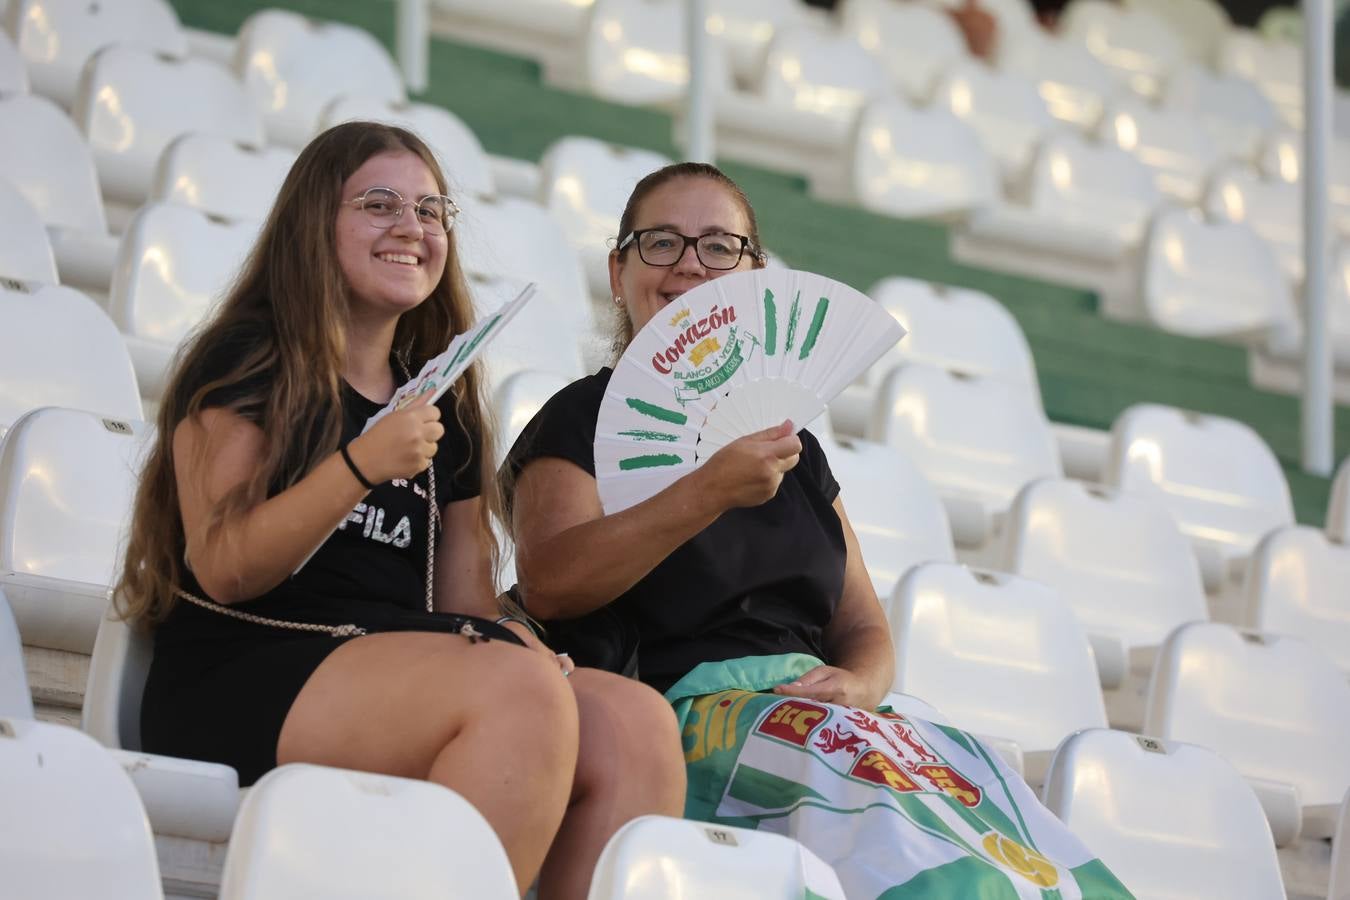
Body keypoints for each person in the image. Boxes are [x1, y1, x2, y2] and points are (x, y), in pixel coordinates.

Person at [506, 162, 1133, 898]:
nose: (688, 267)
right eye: (661, 243)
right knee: (910, 853)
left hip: (825, 715)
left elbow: (863, 622)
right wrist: (706, 491)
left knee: (1005, 840)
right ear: (619, 271)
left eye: (718, 247)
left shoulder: (791, 443)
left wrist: (860, 685)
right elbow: (551, 585)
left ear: (754, 276)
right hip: (687, 713)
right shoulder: (581, 419)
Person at [115, 121, 684, 899]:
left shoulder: (439, 394)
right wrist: (360, 465)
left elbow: (461, 606)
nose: (410, 228)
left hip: (395, 664)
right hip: (245, 664)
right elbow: (227, 568)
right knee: (516, 695)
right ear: (315, 224)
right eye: (379, 204)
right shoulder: (248, 363)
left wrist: (513, 636)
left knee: (635, 725)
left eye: (429, 210)